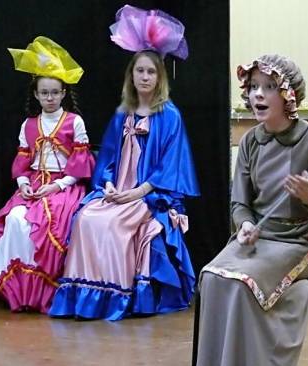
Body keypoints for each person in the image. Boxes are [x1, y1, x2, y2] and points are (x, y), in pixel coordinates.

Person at [195, 55, 308, 366]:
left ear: (288, 96)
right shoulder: (250, 141)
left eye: (269, 87)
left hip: (301, 241)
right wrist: (244, 225)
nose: (258, 94)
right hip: (259, 240)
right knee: (212, 277)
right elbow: (240, 203)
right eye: (254, 87)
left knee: (243, 285)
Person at [49, 5, 199, 320]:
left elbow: (170, 169)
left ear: (159, 77)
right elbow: (106, 159)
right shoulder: (122, 113)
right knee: (87, 218)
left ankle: (117, 298)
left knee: (114, 226)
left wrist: (135, 193)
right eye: (139, 71)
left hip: (148, 196)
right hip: (117, 191)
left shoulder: (169, 116)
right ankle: (84, 298)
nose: (144, 77)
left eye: (151, 72)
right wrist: (107, 186)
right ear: (131, 75)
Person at [0, 36, 94, 313]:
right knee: (15, 218)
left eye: (55, 92)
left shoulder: (74, 122)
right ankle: (17, 288)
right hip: (34, 183)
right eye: (44, 93)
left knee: (47, 223)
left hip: (65, 186)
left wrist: (57, 186)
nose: (50, 98)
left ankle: (43, 289)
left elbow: (80, 165)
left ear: (64, 93)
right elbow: (22, 162)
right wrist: (23, 184)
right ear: (36, 95)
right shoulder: (29, 124)